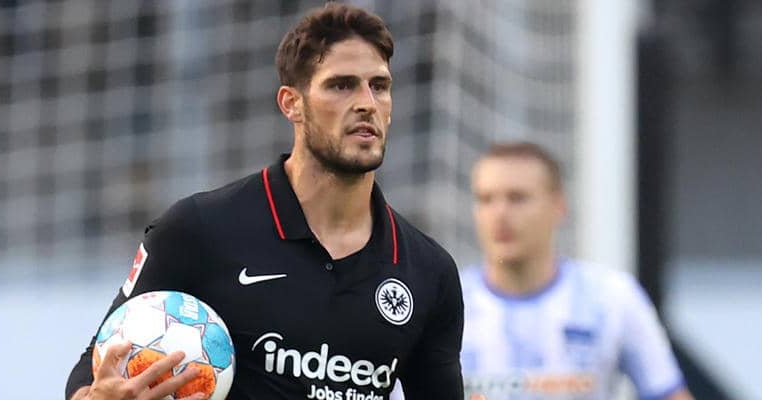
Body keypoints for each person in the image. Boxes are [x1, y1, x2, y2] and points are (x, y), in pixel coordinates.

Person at [65, 4, 464, 400]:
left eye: (379, 86)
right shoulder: (198, 228)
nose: (367, 103)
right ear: (292, 103)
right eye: (341, 85)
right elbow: (94, 366)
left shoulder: (430, 272)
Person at [460, 142, 693, 400]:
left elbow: (669, 393)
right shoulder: (446, 304)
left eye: (517, 198)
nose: (499, 214)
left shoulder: (611, 297)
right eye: (485, 199)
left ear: (559, 205)